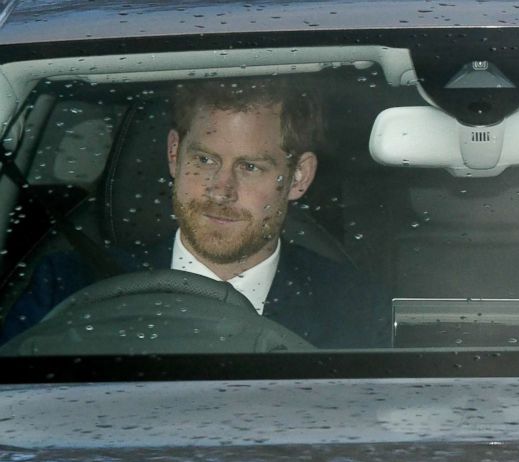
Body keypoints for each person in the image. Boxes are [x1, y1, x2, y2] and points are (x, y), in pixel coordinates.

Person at [1, 78, 389, 348]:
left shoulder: (351, 304)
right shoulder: (68, 286)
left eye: (250, 166)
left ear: (298, 177)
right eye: (204, 160)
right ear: (174, 155)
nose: (221, 190)